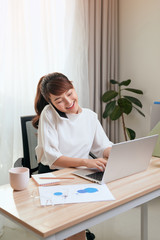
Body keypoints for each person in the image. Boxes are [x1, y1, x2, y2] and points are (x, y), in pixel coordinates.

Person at [32, 72, 113, 240]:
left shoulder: (89, 116)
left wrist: (117, 152)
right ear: (50, 102)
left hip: (80, 174)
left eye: (69, 94)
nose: (68, 102)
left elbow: (103, 147)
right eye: (58, 100)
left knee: (79, 222)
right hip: (53, 175)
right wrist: (87, 162)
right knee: (72, 225)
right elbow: (54, 158)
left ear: (73, 87)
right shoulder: (49, 114)